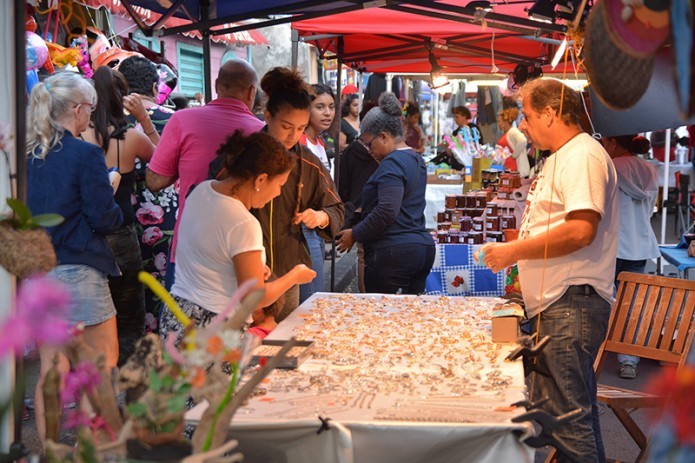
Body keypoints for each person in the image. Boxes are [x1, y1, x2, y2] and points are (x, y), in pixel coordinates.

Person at [478, 78, 619, 462]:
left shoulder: (582, 155)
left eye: (526, 116)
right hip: (560, 303)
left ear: (550, 113)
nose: (522, 126)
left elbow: (580, 230)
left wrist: (513, 252)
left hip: (571, 303)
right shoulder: (563, 155)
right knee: (571, 420)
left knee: (567, 423)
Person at [26, 72, 123, 443]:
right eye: (91, 110)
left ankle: (49, 450)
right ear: (79, 110)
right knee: (97, 369)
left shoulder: (25, 153)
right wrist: (111, 186)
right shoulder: (85, 154)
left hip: (38, 274)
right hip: (79, 270)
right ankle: (91, 451)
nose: (91, 118)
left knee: (51, 369)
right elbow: (104, 218)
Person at [159, 131, 315, 345]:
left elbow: (205, 255)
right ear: (261, 180)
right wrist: (294, 277)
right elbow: (253, 298)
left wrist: (251, 268)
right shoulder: (243, 223)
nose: (278, 193)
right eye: (279, 185)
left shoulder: (202, 191)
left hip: (176, 317)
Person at [146, 58, 264, 289]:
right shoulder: (261, 133)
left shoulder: (182, 119)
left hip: (190, 247)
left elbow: (155, 180)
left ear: (217, 85)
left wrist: (183, 167)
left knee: (182, 322)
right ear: (252, 92)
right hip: (242, 250)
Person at [251, 67, 344, 321]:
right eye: (286, 126)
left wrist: (321, 217)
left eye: (301, 128)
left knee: (282, 344)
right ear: (268, 116)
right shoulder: (242, 156)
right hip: (243, 275)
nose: (293, 136)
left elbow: (336, 208)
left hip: (288, 275)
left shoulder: (309, 164)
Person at [81, 67, 155, 366]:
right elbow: (165, 162)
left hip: (87, 235)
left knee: (93, 316)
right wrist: (146, 121)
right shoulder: (132, 138)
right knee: (129, 314)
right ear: (122, 98)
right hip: (122, 233)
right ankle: (123, 380)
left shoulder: (78, 136)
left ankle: (95, 379)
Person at [336, 92, 435, 294]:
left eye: (368, 143)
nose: (368, 150)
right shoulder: (416, 159)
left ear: (383, 136)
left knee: (385, 319)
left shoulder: (392, 163)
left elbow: (387, 210)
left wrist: (355, 234)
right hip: (419, 249)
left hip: (393, 253)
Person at [118, 55, 176, 329]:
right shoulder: (175, 120)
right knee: (165, 288)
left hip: (123, 221)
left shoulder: (109, 122)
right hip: (167, 220)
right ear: (155, 87)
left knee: (128, 292)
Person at [602, 134, 659, 380]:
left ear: (614, 142)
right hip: (640, 243)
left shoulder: (610, 166)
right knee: (633, 304)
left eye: (605, 143)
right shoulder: (649, 168)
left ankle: (597, 353)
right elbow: (652, 206)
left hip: (613, 245)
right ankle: (629, 361)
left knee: (603, 300)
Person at [298, 84, 336, 302]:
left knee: (316, 292)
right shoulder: (300, 142)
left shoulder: (319, 143)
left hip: (319, 224)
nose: (327, 113)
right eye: (320, 107)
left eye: (331, 107)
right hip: (304, 225)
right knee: (310, 297)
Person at [338, 101, 379, 292]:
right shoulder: (387, 154)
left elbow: (342, 186)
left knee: (363, 255)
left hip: (358, 210)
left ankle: (365, 297)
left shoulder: (350, 151)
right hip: (379, 209)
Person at [497, 107, 531, 177]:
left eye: (499, 121)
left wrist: (514, 155)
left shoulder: (513, 131)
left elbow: (523, 140)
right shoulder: (508, 132)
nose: (498, 124)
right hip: (509, 170)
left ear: (505, 121)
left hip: (515, 170)